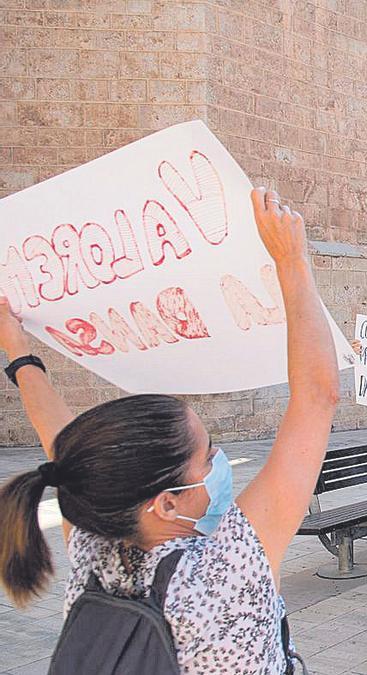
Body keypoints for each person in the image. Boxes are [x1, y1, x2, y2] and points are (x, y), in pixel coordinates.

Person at [0, 188, 336, 671]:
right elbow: (317, 398)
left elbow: (62, 441)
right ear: (167, 502)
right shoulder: (223, 572)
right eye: (207, 455)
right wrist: (291, 261)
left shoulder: (96, 551)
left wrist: (19, 353)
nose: (218, 465)